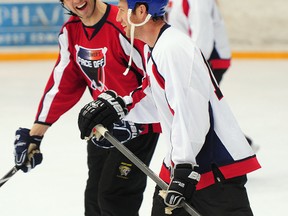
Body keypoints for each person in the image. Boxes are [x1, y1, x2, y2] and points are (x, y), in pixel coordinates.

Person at [77, 0, 261, 215]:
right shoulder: (155, 45)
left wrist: (184, 168)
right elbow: (155, 97)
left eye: (122, 10)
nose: (118, 17)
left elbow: (189, 111)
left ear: (141, 11)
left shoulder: (173, 49)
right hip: (190, 164)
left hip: (212, 167)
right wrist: (118, 108)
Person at [12, 0, 161, 216]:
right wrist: (35, 134)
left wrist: (143, 120)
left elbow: (156, 80)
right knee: (93, 199)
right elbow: (63, 84)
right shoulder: (71, 31)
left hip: (137, 126)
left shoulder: (124, 25)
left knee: (114, 199)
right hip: (101, 126)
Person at [166, 0, 259, 152]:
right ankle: (242, 146)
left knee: (201, 111)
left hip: (208, 60)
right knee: (205, 111)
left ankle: (238, 150)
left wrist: (193, 64)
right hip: (195, 59)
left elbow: (202, 34)